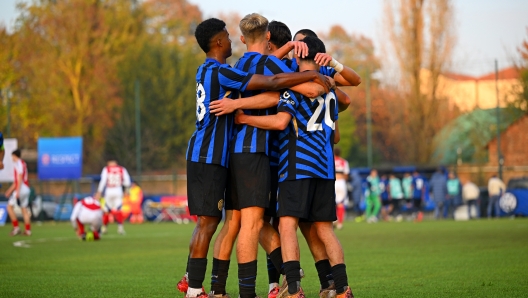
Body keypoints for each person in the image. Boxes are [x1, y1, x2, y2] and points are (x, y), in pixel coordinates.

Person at [178, 17, 330, 298]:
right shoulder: (244, 68)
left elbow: (267, 71)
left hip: (228, 155)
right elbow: (290, 85)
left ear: (244, 37)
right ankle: (258, 287)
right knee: (251, 223)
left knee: (232, 222)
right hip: (254, 153)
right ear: (269, 35)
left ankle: (215, 287)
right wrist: (316, 75)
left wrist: (240, 103)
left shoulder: (231, 67)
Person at [235, 35, 354, 298]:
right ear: (320, 56)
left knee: (286, 225)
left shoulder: (294, 87)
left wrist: (244, 117)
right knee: (325, 229)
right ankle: (343, 288)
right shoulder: (330, 88)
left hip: (296, 166)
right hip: (325, 168)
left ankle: (294, 289)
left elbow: (279, 122)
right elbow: (335, 136)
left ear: (298, 56)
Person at [94, 158, 131, 235]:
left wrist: (99, 192)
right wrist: (126, 190)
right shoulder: (121, 169)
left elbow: (103, 181)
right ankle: (120, 228)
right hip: (118, 190)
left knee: (107, 210)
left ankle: (104, 228)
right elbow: (127, 181)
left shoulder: (106, 169)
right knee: (119, 210)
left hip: (109, 190)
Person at [5, 149, 31, 236]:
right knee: (24, 209)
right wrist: (9, 191)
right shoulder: (23, 163)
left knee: (9, 207)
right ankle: (28, 230)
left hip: (21, 188)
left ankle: (16, 228)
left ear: (15, 156)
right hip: (26, 188)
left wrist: (17, 192)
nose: (12, 158)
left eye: (12, 156)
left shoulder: (18, 163)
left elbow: (19, 178)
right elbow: (18, 180)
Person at [334, 147, 350, 230]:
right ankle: (340, 223)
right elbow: (346, 175)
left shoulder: (330, 160)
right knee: (341, 203)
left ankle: (333, 220)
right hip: (341, 182)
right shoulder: (344, 162)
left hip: (332, 182)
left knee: (332, 202)